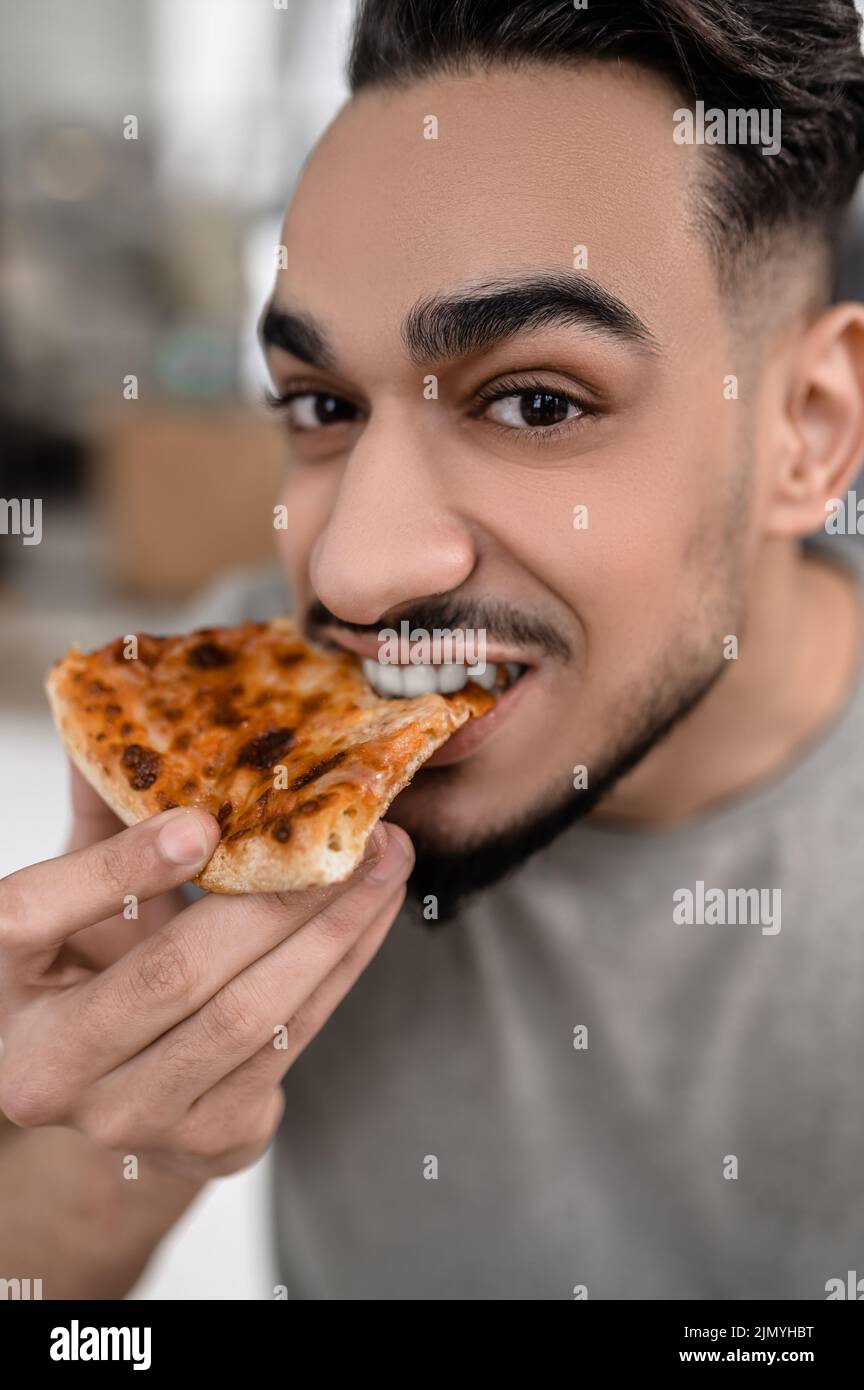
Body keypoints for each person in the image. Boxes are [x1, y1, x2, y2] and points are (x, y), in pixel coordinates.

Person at [3, 0, 864, 1300]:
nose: (350, 569)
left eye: (535, 401)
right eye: (319, 404)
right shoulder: (231, 741)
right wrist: (121, 1124)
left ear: (807, 431)